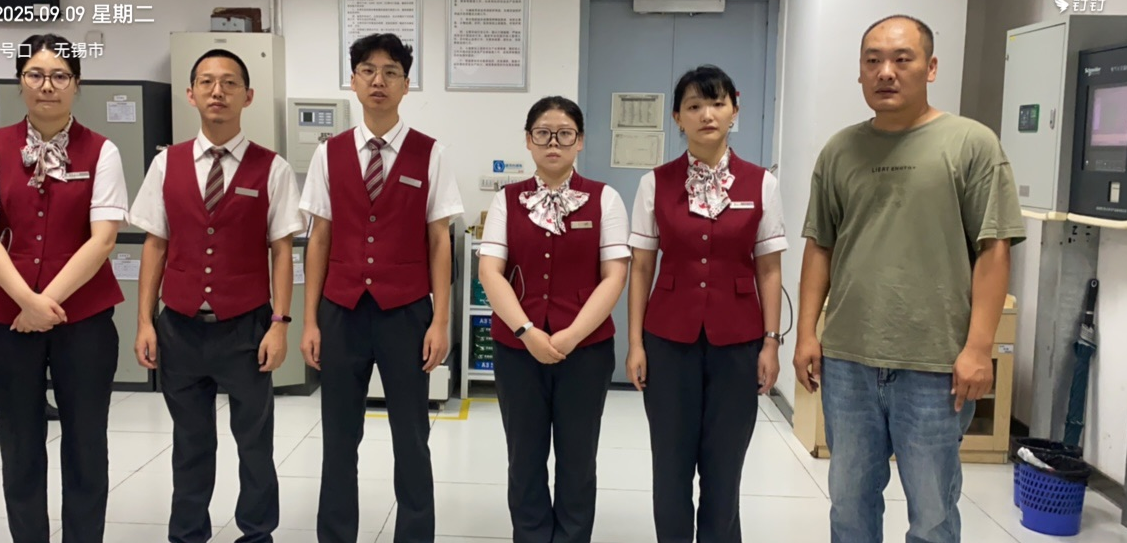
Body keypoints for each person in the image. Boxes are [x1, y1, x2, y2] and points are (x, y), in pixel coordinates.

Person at [793, 15, 1026, 543]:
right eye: (873, 60)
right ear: (859, 72)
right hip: (849, 360)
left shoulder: (971, 144)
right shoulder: (839, 151)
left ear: (931, 67)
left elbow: (994, 250)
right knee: (849, 504)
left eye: (902, 59)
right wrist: (807, 333)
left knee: (933, 513)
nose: (886, 72)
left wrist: (979, 348)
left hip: (935, 364)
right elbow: (820, 246)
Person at [0, 33, 128, 543]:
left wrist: (44, 303)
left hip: (84, 319)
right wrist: (26, 301)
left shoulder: (102, 150)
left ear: (76, 84)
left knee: (86, 442)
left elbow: (103, 239)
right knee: (20, 444)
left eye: (59, 76)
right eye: (35, 74)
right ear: (20, 82)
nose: (47, 86)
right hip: (5, 318)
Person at [130, 48, 304, 543]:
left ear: (248, 96)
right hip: (179, 327)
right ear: (190, 94)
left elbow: (281, 251)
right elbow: (156, 245)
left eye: (229, 83)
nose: (217, 91)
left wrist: (280, 323)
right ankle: (187, 534)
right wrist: (145, 322)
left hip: (246, 327)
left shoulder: (272, 168)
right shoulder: (166, 164)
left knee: (254, 444)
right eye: (206, 82)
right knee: (189, 443)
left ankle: (257, 533)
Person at [299, 32, 464, 543]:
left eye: (391, 72)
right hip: (341, 311)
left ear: (405, 85)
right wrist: (309, 320)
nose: (378, 80)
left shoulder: (430, 154)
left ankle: (414, 535)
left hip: (406, 313)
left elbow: (440, 240)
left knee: (411, 437)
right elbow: (318, 238)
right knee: (338, 436)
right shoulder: (328, 154)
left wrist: (440, 320)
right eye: (368, 70)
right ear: (352, 81)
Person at [625, 65, 787, 543]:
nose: (707, 115)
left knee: (725, 464)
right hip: (668, 339)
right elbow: (641, 268)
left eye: (717, 103)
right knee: (670, 464)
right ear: (678, 117)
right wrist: (635, 343)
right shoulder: (655, 183)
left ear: (735, 109)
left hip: (738, 341)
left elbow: (769, 269)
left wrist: (771, 343)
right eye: (694, 106)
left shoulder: (761, 183)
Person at [477, 96, 629, 543]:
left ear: (580, 141)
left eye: (565, 134)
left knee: (578, 458)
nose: (553, 143)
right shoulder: (506, 200)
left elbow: (615, 276)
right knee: (524, 458)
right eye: (543, 133)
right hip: (517, 350)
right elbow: (490, 271)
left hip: (586, 352)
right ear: (528, 140)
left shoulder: (605, 199)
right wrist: (526, 331)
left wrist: (572, 335)